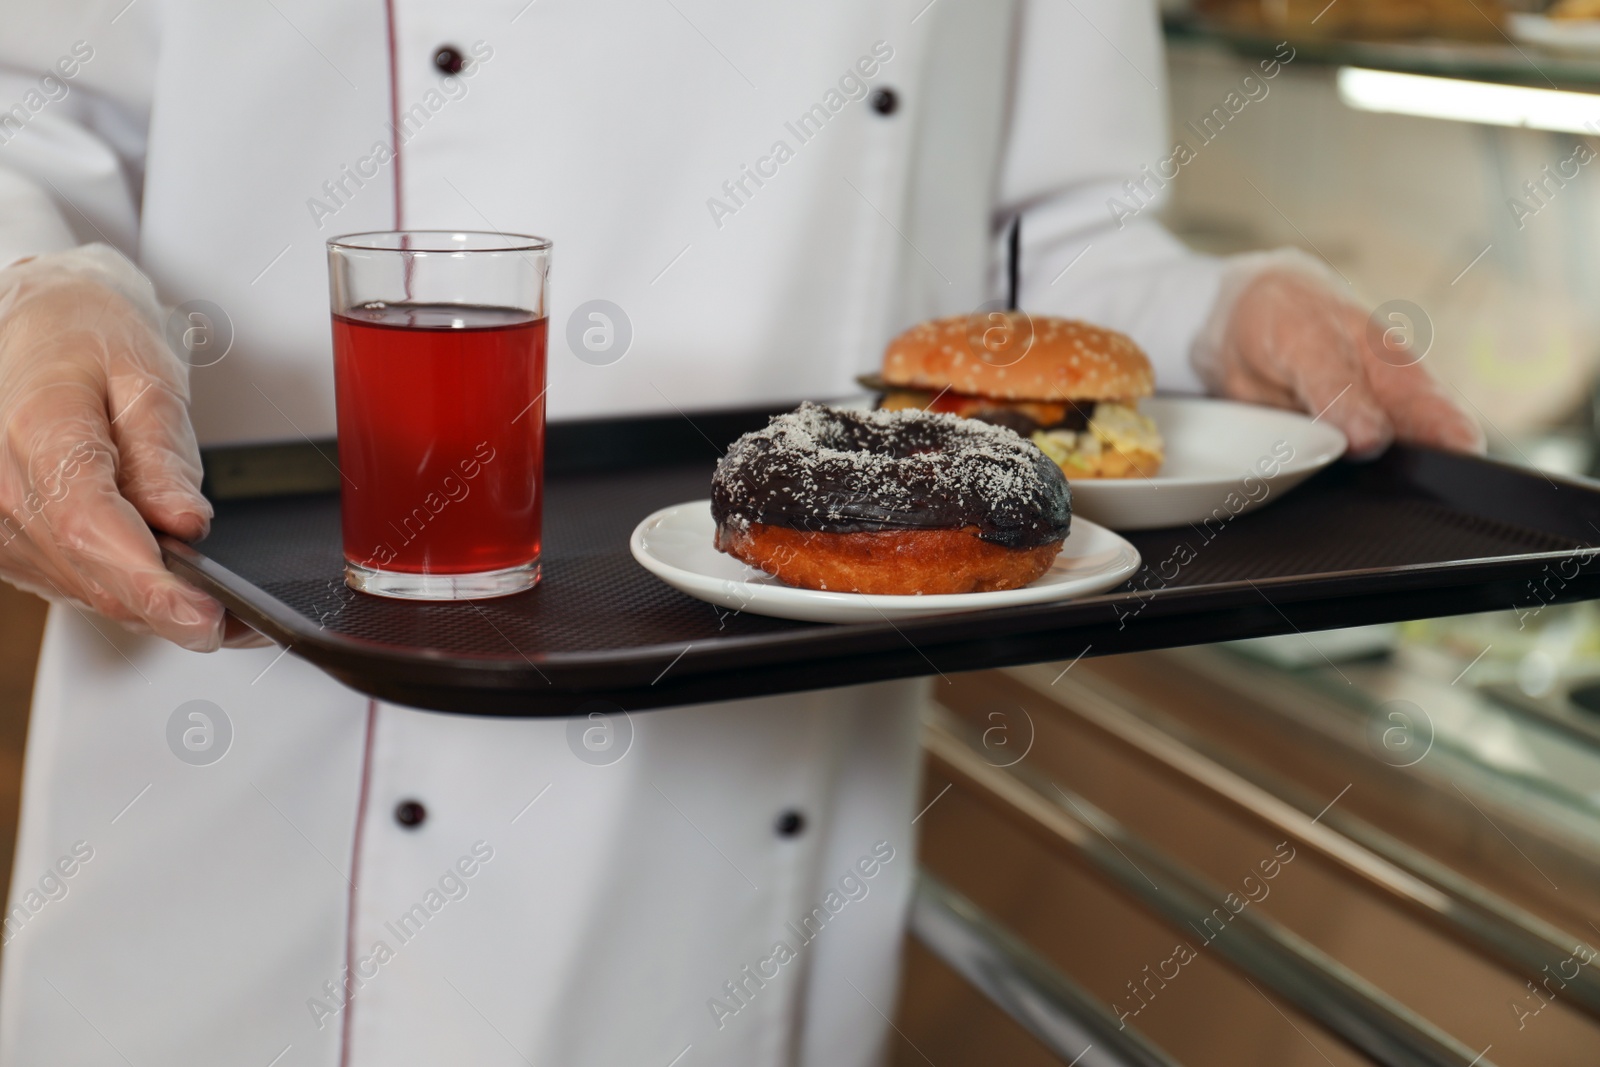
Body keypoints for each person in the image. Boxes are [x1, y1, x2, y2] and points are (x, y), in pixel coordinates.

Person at [0, 2, 1479, 1065]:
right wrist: (29, 288)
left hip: (744, 825)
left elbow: (1054, 245)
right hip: (266, 729)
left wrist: (1221, 315)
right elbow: (31, 108)